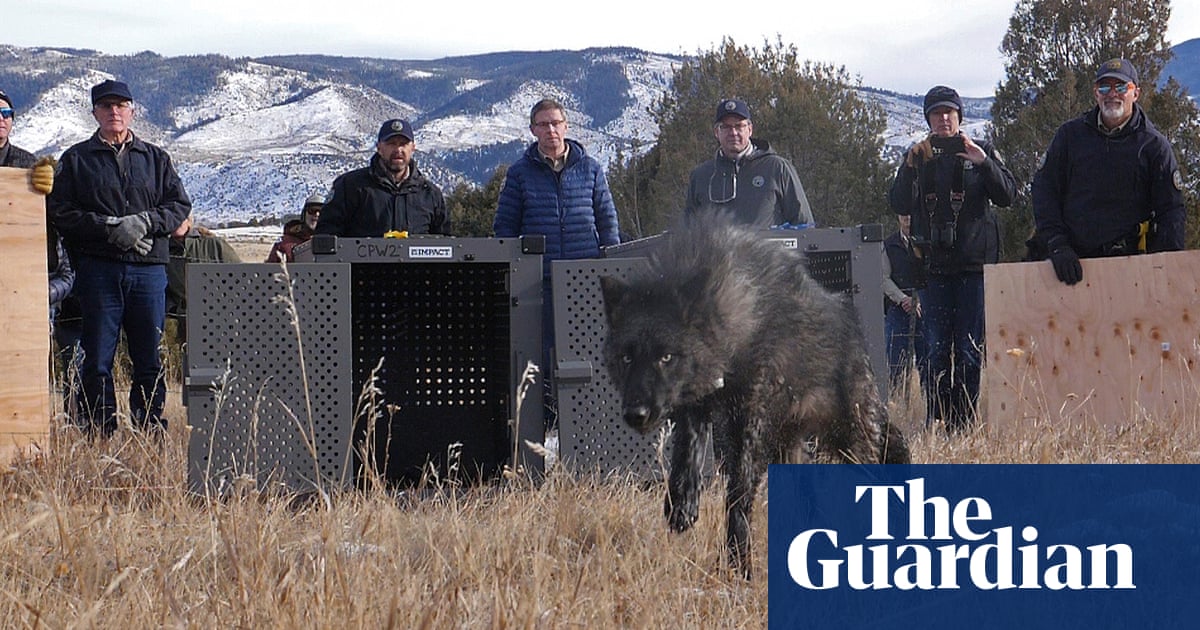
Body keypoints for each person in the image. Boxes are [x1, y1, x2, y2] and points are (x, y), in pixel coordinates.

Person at [48, 79, 192, 438]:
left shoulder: (156, 158)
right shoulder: (76, 159)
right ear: (95, 112)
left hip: (148, 273)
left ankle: (149, 429)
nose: (114, 111)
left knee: (148, 358)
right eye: (106, 106)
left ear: (132, 110)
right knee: (97, 357)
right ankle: (99, 430)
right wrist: (107, 226)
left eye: (121, 105)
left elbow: (178, 206)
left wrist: (144, 222)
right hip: (98, 270)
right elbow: (60, 212)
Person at [888, 85, 1017, 432]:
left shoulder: (981, 151)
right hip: (932, 269)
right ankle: (937, 419)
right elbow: (898, 203)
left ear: (960, 117)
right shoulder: (917, 156)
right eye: (936, 113)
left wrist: (983, 163)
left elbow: (1008, 195)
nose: (944, 119)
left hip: (973, 268)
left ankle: (965, 422)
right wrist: (910, 168)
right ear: (928, 119)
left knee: (969, 349)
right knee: (934, 349)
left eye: (950, 112)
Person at [493, 98, 620, 427]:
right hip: (541, 281)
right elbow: (505, 229)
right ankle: (548, 423)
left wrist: (610, 267)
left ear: (566, 126)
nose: (550, 130)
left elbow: (607, 221)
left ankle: (590, 421)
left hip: (586, 279)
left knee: (590, 351)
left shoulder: (590, 168)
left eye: (555, 123)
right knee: (545, 353)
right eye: (543, 124)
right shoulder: (520, 174)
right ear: (533, 130)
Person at [1032, 58, 1186, 285]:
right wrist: (1057, 245)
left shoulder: (1154, 146)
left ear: (1136, 93)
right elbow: (1045, 193)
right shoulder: (1069, 137)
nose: (1112, 94)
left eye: (1121, 87)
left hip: (1133, 269)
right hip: (1072, 267)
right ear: (1096, 93)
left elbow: (1171, 210)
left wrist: (1163, 269)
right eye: (1104, 87)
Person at [1, 89, 81, 411]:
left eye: (6, 114)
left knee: (26, 362)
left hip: (26, 283)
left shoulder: (28, 164)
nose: (0, 120)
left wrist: (50, 193)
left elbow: (53, 219)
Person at [683, 98, 814, 227]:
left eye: (739, 126)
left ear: (750, 129)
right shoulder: (700, 176)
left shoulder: (777, 168)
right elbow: (688, 230)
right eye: (726, 127)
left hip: (765, 249)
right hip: (715, 249)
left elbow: (804, 226)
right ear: (717, 132)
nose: (733, 133)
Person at [315, 119, 449, 237]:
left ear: (413, 148)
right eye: (391, 143)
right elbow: (327, 234)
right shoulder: (350, 186)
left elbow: (446, 244)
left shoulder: (430, 194)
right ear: (379, 148)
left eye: (403, 144)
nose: (398, 150)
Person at [166, 215, 242, 337]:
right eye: (172, 216)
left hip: (222, 321)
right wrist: (175, 309)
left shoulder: (214, 245)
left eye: (181, 217)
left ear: (189, 220)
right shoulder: (162, 251)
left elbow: (241, 279)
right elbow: (160, 290)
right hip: (183, 324)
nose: (176, 221)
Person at [882, 214, 927, 395]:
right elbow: (883, 278)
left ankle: (929, 406)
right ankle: (896, 405)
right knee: (895, 362)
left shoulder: (927, 241)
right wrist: (903, 299)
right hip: (898, 309)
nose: (907, 218)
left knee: (928, 362)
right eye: (903, 214)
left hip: (925, 309)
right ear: (898, 217)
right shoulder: (888, 244)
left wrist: (921, 300)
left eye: (910, 213)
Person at [267, 192, 322, 262]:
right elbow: (271, 270)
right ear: (304, 215)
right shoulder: (284, 245)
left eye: (322, 211)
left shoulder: (337, 241)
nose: (317, 214)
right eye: (312, 210)